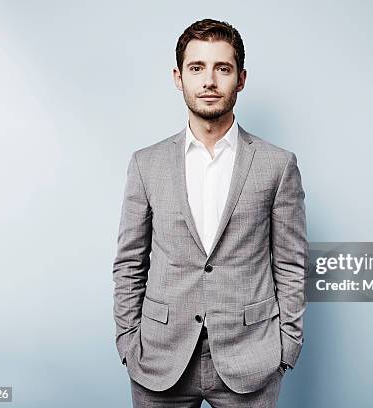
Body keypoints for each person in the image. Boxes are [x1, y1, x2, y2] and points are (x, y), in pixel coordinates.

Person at [112, 18, 308, 407]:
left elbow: (291, 264)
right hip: (159, 357)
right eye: (196, 68)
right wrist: (127, 341)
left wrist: (287, 348)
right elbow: (129, 262)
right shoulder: (145, 164)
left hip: (251, 358)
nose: (209, 81)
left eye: (222, 68)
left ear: (241, 78)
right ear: (178, 77)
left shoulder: (277, 165)